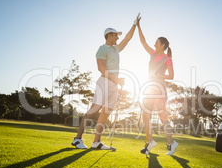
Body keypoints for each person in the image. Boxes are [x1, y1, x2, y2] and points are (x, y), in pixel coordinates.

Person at [72, 17, 138, 150]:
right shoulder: (102, 49)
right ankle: (77, 139)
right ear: (109, 36)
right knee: (94, 109)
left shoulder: (116, 49)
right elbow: (101, 68)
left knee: (105, 113)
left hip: (114, 85)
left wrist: (134, 25)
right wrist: (117, 79)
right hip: (104, 82)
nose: (118, 38)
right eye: (115, 35)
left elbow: (127, 38)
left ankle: (96, 142)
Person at [137, 17, 178, 156]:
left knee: (162, 116)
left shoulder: (168, 59)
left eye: (156, 43)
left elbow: (171, 76)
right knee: (145, 114)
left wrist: (158, 75)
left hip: (160, 89)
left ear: (162, 45)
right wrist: (138, 26)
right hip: (150, 88)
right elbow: (143, 41)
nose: (154, 44)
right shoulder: (153, 54)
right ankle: (150, 141)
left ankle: (171, 143)